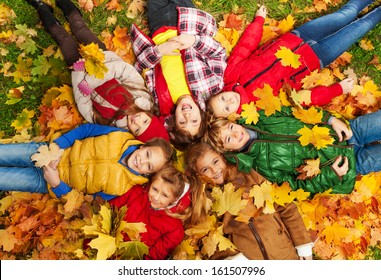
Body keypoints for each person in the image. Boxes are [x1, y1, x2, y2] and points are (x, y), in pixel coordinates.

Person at [26, 0, 169, 143]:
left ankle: (42, 8)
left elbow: (84, 104)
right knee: (80, 29)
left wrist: (80, 73)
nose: (137, 121)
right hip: (102, 58)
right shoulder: (141, 97)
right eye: (145, 121)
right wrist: (93, 75)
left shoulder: (110, 123)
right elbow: (124, 71)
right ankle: (63, 3)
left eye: (137, 129)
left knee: (63, 39)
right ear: (151, 116)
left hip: (80, 69)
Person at [207, 1, 381, 118]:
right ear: (230, 116)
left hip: (298, 37)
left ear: (220, 92)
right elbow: (302, 98)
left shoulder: (230, 74)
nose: (229, 101)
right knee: (360, 27)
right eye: (226, 108)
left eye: (222, 99)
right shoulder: (260, 109)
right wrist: (336, 89)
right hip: (317, 57)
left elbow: (244, 47)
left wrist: (258, 21)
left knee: (346, 15)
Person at [204, 105, 381, 195]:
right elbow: (296, 186)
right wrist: (332, 175)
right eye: (228, 139)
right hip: (349, 164)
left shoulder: (261, 117)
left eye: (230, 128)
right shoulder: (259, 168)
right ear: (227, 150)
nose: (235, 134)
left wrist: (329, 119)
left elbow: (298, 111)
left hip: (346, 132)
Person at [184, 142, 313, 260]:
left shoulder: (247, 175)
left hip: (284, 253)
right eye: (205, 169)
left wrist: (303, 245)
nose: (214, 170)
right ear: (198, 175)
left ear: (222, 157)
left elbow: (285, 206)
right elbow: (208, 238)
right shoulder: (206, 200)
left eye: (215, 162)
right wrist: (235, 259)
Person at [131, 0, 227, 149]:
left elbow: (139, 68)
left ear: (174, 120)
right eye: (194, 121)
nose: (187, 116)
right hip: (187, 22)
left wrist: (159, 51)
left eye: (182, 122)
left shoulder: (160, 101)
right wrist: (194, 41)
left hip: (159, 25)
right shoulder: (211, 86)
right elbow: (218, 54)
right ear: (201, 116)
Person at [0, 123, 174, 201]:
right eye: (147, 154)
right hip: (47, 152)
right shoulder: (120, 136)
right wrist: (58, 148)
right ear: (144, 146)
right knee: (5, 153)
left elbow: (83, 201)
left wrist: (57, 184)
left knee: (5, 179)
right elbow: (87, 129)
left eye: (148, 166)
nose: (142, 161)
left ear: (146, 174)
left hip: (45, 182)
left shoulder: (119, 187)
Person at [108, 166, 193, 260]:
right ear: (151, 183)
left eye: (164, 195)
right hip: (107, 240)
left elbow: (155, 256)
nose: (156, 197)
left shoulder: (174, 228)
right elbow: (110, 208)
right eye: (155, 189)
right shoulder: (136, 192)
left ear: (174, 199)